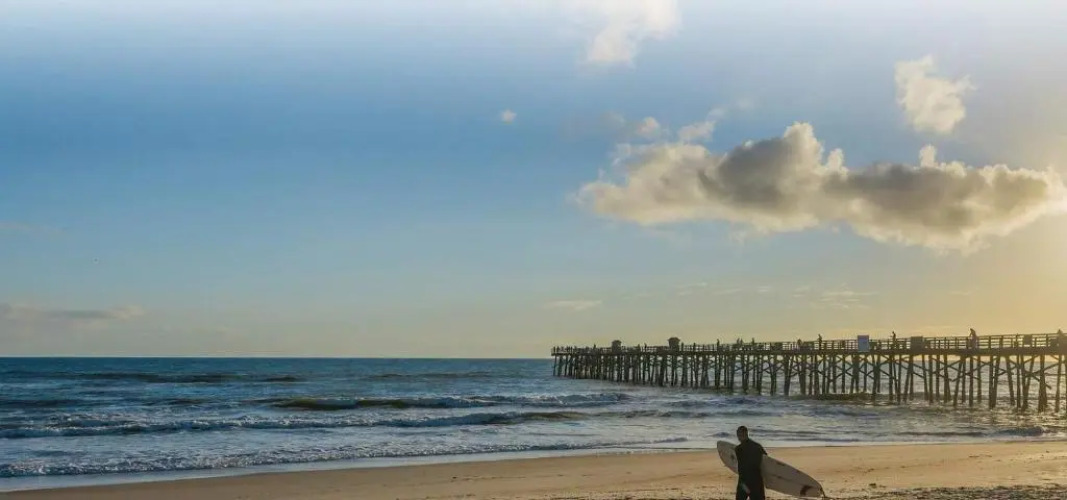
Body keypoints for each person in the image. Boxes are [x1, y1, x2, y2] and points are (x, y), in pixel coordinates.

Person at [734, 426, 767, 500]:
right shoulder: (758, 447)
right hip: (756, 482)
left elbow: (734, 462)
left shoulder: (738, 449)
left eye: (738, 435)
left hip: (744, 483)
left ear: (740, 435)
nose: (738, 437)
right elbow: (766, 462)